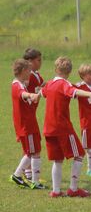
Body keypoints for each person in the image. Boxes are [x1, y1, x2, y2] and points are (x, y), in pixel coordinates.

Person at [41, 57, 91, 198]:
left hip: (48, 128)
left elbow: (42, 92)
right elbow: (75, 92)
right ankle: (73, 189)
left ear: (55, 69)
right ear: (69, 72)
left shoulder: (50, 84)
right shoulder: (64, 84)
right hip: (62, 127)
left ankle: (56, 191)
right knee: (80, 154)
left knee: (58, 160)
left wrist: (34, 95)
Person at [9, 59, 44, 189]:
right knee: (32, 151)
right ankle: (25, 178)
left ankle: (25, 177)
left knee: (35, 150)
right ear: (23, 71)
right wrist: (33, 95)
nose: (30, 73)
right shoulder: (17, 85)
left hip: (30, 122)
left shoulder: (22, 83)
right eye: (29, 70)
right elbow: (23, 94)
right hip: (26, 125)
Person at [23, 48, 45, 183]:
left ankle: (27, 171)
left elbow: (42, 85)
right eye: (38, 60)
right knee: (30, 145)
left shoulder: (36, 74)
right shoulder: (28, 75)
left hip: (32, 114)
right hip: (27, 115)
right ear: (30, 61)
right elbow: (24, 87)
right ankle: (27, 173)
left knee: (31, 144)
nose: (40, 62)